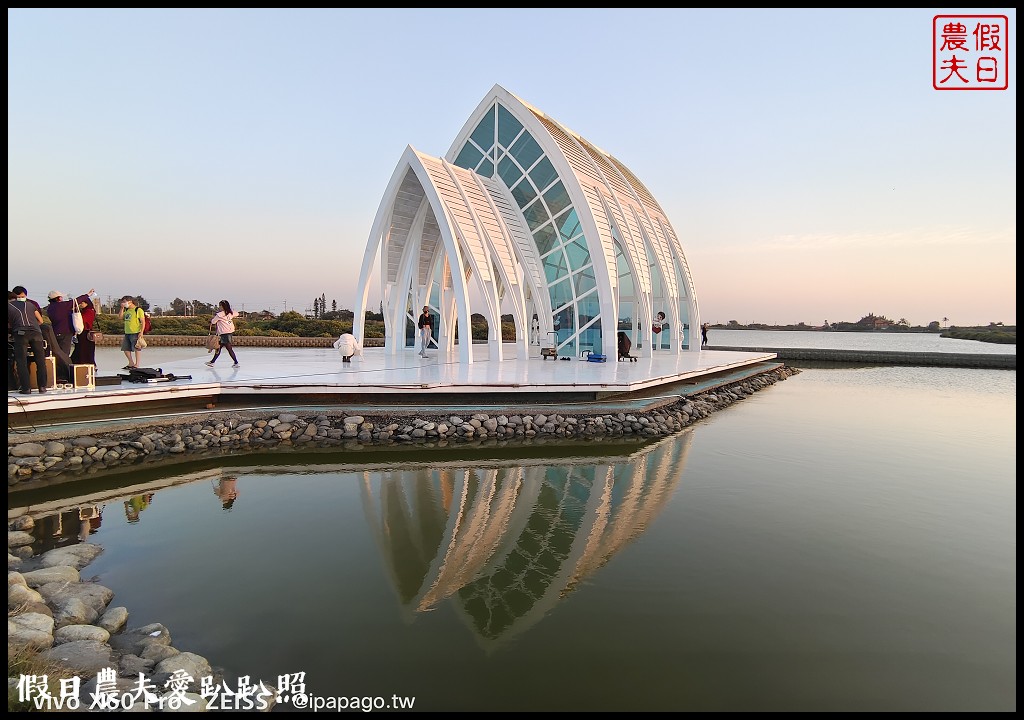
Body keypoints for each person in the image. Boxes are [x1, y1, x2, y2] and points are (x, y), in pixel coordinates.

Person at [46, 289, 95, 381]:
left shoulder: (50, 308)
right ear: (59, 298)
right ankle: (63, 376)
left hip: (55, 332)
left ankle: (56, 373)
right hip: (65, 333)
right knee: (64, 354)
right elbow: (76, 301)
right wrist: (88, 294)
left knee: (57, 354)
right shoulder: (62, 306)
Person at [8, 286, 49, 394]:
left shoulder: (9, 305)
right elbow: (40, 320)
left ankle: (26, 388)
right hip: (36, 334)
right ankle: (42, 387)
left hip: (21, 334)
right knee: (40, 361)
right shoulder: (31, 305)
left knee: (21, 361)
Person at [206, 300, 240, 367]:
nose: (219, 307)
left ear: (222, 306)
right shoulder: (230, 313)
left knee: (226, 348)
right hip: (229, 333)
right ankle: (212, 362)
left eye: (220, 306)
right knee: (220, 348)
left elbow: (213, 322)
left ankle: (236, 362)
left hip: (223, 333)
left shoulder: (219, 315)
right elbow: (237, 313)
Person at [118, 296, 145, 369]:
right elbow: (120, 317)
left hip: (135, 332)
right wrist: (122, 308)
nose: (123, 303)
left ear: (130, 301)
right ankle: (131, 363)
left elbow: (143, 322)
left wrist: (141, 332)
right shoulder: (127, 310)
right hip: (127, 332)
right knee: (125, 349)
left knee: (137, 348)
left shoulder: (138, 310)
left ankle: (137, 364)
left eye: (124, 302)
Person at [71, 294, 99, 368]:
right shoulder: (86, 310)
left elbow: (83, 320)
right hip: (83, 332)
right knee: (82, 349)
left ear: (86, 303)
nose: (81, 305)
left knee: (84, 350)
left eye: (82, 303)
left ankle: (85, 364)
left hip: (86, 332)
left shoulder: (89, 311)